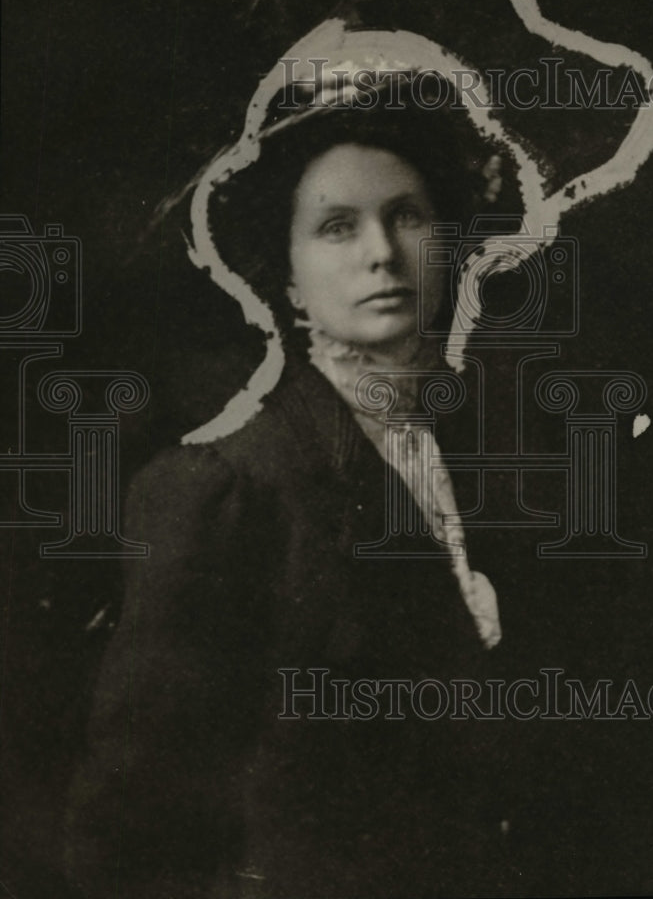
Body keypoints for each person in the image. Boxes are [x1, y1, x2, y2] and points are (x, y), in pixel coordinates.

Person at [63, 72, 533, 899]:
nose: (381, 252)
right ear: (285, 279)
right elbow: (132, 836)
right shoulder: (225, 492)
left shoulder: (488, 465)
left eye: (408, 216)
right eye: (336, 228)